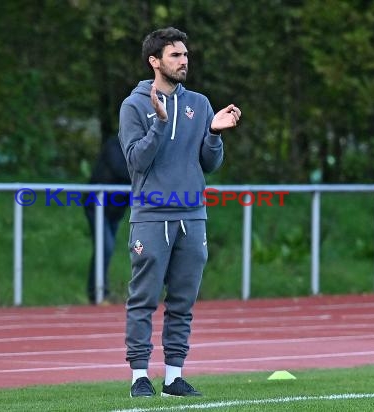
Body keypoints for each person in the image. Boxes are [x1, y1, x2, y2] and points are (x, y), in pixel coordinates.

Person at [118, 27, 241, 398]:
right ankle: (140, 376)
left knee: (183, 301)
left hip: (193, 215)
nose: (184, 61)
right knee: (144, 298)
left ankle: (173, 377)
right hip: (152, 216)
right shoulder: (134, 105)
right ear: (155, 61)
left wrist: (215, 134)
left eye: (185, 54)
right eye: (175, 55)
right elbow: (136, 161)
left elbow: (209, 163)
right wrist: (159, 122)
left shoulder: (201, 104)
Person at [83, 137, 131, 304]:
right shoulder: (114, 144)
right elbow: (122, 169)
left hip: (115, 209)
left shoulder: (141, 145)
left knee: (105, 248)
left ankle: (99, 291)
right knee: (105, 247)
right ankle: (97, 293)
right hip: (96, 204)